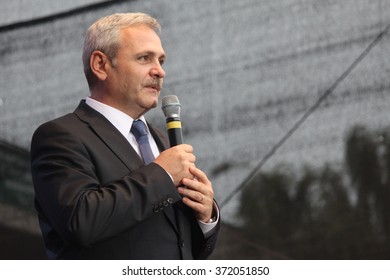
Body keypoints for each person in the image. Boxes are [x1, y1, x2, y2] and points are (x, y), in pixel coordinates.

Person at [30, 12, 220, 260]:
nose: (160, 71)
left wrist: (206, 217)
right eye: (144, 58)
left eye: (161, 61)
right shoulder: (60, 136)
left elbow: (178, 244)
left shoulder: (162, 141)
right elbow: (81, 222)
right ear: (100, 65)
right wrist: (162, 174)